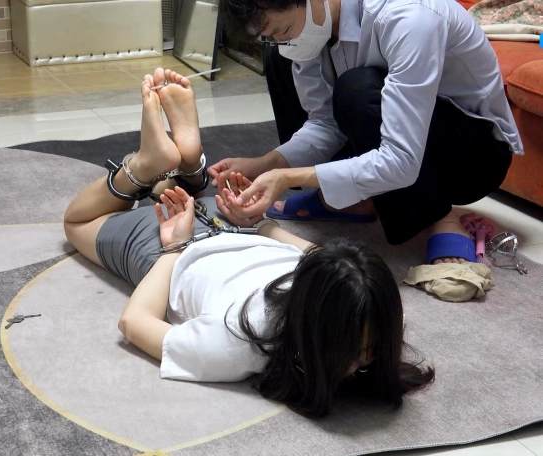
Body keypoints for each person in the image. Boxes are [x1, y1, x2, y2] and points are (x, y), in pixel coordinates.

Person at [63, 68, 434, 417]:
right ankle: (147, 164)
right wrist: (175, 247)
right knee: (78, 222)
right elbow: (133, 322)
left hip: (233, 224)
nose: (367, 360)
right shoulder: (237, 341)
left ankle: (188, 169)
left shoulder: (338, 291)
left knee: (169, 199)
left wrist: (261, 226)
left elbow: (325, 257)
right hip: (187, 249)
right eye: (364, 352)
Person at [211, 0, 523, 265]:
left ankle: (440, 216)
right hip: (403, 136)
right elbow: (325, 123)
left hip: (473, 156)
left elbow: (401, 159)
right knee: (280, 60)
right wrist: (267, 164)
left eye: (284, 30)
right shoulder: (315, 27)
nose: (285, 40)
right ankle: (358, 200)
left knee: (356, 89)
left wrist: (287, 177)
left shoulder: (407, 17)